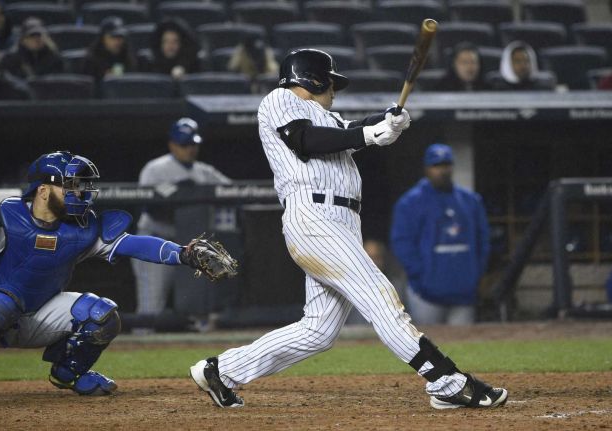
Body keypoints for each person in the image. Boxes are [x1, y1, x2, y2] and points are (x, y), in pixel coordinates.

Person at [188, 48, 507, 410]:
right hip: (314, 217)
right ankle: (447, 382)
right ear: (312, 79)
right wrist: (370, 134)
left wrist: (387, 120)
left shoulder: (324, 116)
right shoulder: (279, 99)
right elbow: (306, 140)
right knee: (380, 298)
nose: (334, 91)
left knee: (318, 331)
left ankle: (221, 371)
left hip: (339, 222)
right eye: (331, 83)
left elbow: (346, 131)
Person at [0, 151, 236, 403]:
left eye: (80, 187)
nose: (79, 193)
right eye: (70, 187)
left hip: (39, 313)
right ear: (43, 190)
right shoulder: (5, 218)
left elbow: (133, 244)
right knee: (1, 301)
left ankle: (68, 373)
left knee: (102, 313)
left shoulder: (83, 227)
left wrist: (183, 253)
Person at [132, 118, 230, 320]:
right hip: (156, 240)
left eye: (193, 144)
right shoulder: (156, 169)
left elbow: (235, 192)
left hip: (189, 246)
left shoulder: (204, 171)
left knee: (197, 305)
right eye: (184, 145)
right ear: (172, 145)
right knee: (152, 306)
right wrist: (178, 198)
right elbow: (148, 207)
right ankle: (143, 343)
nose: (190, 149)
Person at [390, 144, 490, 326]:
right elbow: (402, 243)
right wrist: (421, 277)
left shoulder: (470, 201)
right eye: (436, 166)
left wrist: (475, 274)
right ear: (427, 169)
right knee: (430, 346)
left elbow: (483, 241)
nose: (442, 170)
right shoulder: (410, 202)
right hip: (426, 294)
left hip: (464, 291)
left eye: (446, 165)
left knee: (465, 347)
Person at [82, 16, 137, 82]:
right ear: (103, 38)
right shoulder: (91, 59)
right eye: (113, 37)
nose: (117, 41)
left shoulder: (128, 56)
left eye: (120, 37)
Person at [490, 40, 555, 91]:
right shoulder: (496, 86)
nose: (523, 65)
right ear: (508, 64)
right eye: (517, 61)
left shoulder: (543, 86)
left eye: (526, 60)